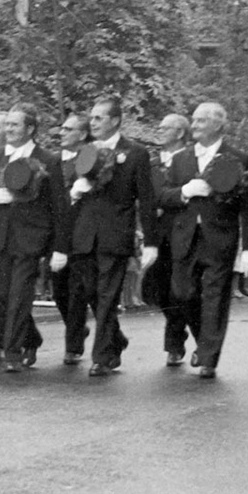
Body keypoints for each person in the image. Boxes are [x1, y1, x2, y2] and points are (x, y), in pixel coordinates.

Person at [156, 102, 248, 380]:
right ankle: (205, 341)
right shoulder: (181, 159)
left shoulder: (236, 157)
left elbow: (247, 206)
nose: (195, 125)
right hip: (185, 238)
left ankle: (209, 358)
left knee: (215, 297)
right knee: (182, 293)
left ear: (218, 125)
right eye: (194, 120)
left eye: (201, 121)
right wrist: (184, 192)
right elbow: (163, 195)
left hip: (220, 238)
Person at [58, 96, 157, 377]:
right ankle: (116, 339)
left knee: (107, 295)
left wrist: (150, 242)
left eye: (99, 118)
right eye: (92, 118)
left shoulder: (135, 152)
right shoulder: (85, 150)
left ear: (115, 121)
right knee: (90, 292)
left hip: (115, 233)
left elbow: (146, 199)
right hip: (85, 234)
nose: (93, 123)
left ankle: (102, 357)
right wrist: (76, 192)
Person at [0, 105, 63, 374]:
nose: (9, 130)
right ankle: (31, 338)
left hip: (30, 237)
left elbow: (58, 205)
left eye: (15, 125)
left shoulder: (48, 160)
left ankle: (12, 351)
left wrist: (59, 247)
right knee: (2, 294)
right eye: (7, 125)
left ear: (30, 129)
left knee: (19, 294)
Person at [142, 112, 195, 367]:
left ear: (181, 133)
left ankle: (177, 342)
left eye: (166, 127)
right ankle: (177, 332)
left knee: (182, 290)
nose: (160, 130)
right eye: (159, 126)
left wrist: (165, 199)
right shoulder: (151, 163)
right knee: (160, 290)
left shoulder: (193, 159)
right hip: (157, 233)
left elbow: (184, 197)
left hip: (184, 233)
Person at [49, 111, 92, 364]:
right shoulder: (53, 162)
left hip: (82, 233)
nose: (62, 133)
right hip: (57, 235)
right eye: (61, 128)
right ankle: (108, 335)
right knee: (59, 292)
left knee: (78, 292)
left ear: (82, 135)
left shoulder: (92, 159)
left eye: (68, 129)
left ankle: (73, 345)